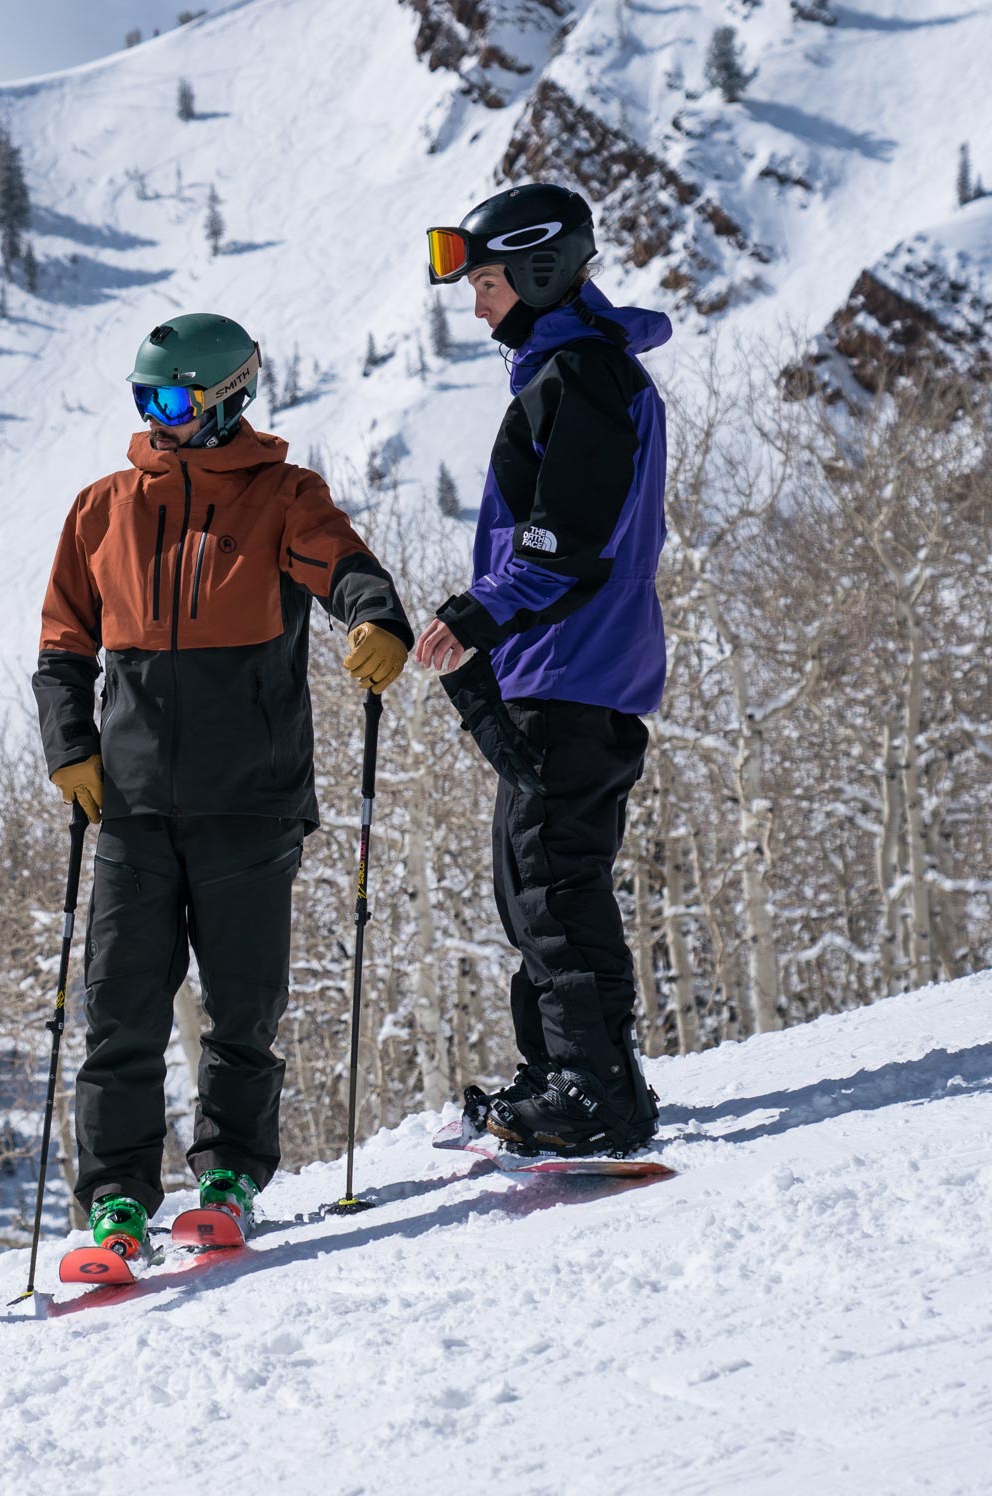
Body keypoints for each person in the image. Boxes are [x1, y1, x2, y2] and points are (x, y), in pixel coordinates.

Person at [33, 313, 413, 1259]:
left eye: (169, 399)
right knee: (119, 1008)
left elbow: (346, 569)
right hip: (127, 804)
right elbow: (61, 645)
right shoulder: (101, 508)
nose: (154, 418)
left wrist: (379, 622)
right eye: (141, 399)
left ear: (225, 396)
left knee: (243, 1010)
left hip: (249, 798)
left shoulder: (283, 496)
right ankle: (116, 1202)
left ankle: (228, 1178)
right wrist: (68, 745)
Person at [415, 183, 672, 1156]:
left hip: (568, 665)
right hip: (570, 668)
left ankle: (590, 1085)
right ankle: (578, 1067)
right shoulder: (574, 370)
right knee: (543, 881)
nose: (475, 304)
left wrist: (475, 612)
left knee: (549, 883)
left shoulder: (580, 375)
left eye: (483, 282)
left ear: (536, 270)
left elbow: (565, 542)